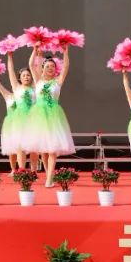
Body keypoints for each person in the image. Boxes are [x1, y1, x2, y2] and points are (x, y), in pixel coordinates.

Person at [28, 43, 76, 187]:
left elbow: (66, 67)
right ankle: (49, 174)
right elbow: (31, 65)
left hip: (54, 116)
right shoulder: (38, 81)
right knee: (44, 150)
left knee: (52, 150)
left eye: (53, 66)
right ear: (42, 68)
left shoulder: (58, 82)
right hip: (39, 116)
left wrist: (66, 52)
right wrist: (34, 51)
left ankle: (49, 178)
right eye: (47, 66)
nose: (50, 68)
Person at [0, 52, 34, 172]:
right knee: (14, 148)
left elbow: (35, 69)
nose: (26, 77)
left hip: (31, 120)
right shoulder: (10, 94)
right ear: (19, 79)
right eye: (24, 75)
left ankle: (33, 171)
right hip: (15, 122)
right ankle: (16, 170)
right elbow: (1, 84)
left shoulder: (34, 89)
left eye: (28, 75)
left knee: (33, 148)